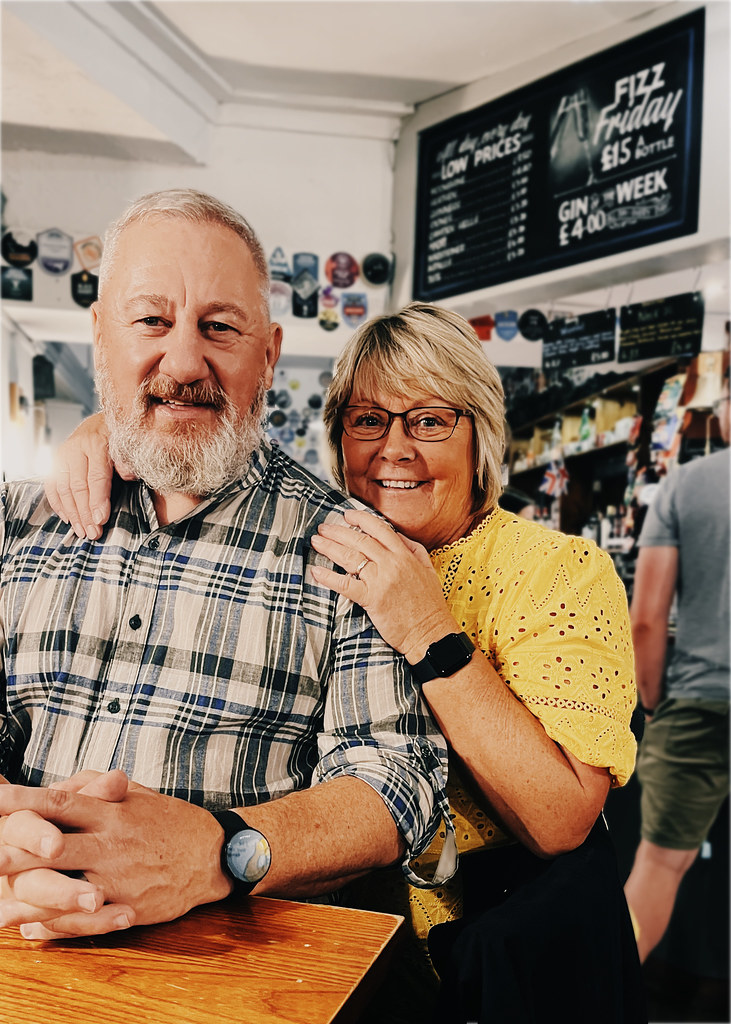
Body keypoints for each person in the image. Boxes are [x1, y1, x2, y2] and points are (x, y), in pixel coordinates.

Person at [43, 301, 646, 1023]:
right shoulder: (320, 542)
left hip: (492, 958)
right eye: (367, 421)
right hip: (321, 948)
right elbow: (219, 447)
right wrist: (107, 430)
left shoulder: (555, 570)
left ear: (479, 430)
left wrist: (426, 628)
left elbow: (561, 819)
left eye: (428, 420)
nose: (394, 449)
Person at [0, 190, 452, 941]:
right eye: (151, 321)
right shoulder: (16, 522)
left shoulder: (351, 547)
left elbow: (395, 783)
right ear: (100, 336)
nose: (183, 361)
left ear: (267, 354)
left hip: (238, 976)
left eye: (219, 327)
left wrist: (220, 848)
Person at [624, 370, 730, 963]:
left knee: (659, 866)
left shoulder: (687, 485)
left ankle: (598, 1001)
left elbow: (647, 615)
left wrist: (653, 699)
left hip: (695, 701)